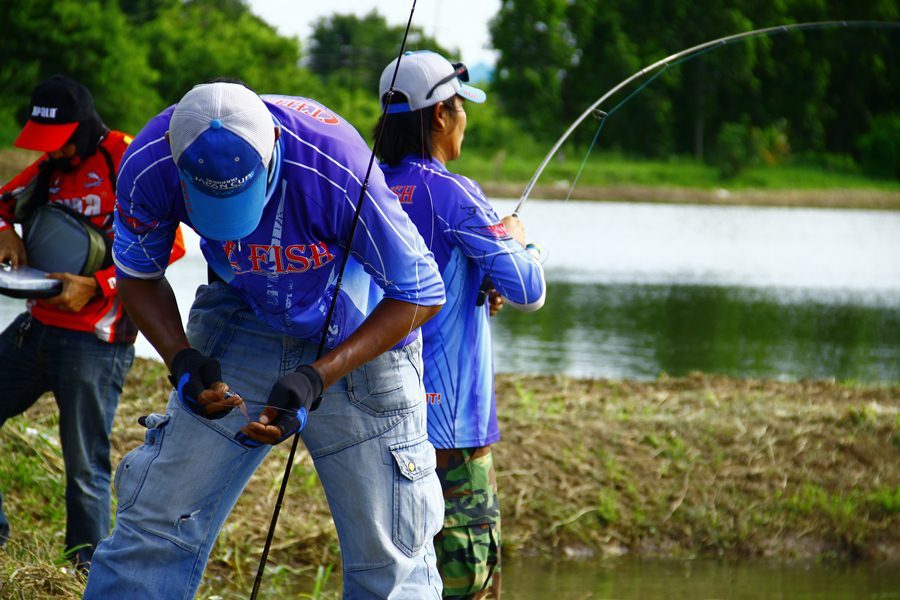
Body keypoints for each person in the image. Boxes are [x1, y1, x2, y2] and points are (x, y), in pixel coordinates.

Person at [83, 80, 448, 598]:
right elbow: (137, 274)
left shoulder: (338, 166)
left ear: (273, 144)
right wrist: (183, 360)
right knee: (157, 521)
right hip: (243, 314)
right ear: (178, 165)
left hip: (355, 323)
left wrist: (316, 377)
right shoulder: (147, 162)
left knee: (391, 558)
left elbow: (420, 293)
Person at [374, 51, 547, 599]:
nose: (465, 121)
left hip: (380, 420)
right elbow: (529, 289)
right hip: (451, 434)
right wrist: (519, 239)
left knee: (397, 576)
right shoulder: (454, 192)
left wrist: (477, 279)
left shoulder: (368, 185)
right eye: (460, 109)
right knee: (465, 584)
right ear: (441, 117)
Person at [0, 75, 185, 567]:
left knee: (85, 465)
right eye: (43, 145)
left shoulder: (127, 159)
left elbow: (172, 246)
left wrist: (97, 285)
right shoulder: (50, 167)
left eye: (57, 143)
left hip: (96, 343)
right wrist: (7, 235)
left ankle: (85, 569)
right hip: (34, 326)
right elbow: (2, 202)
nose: (51, 154)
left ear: (81, 129)